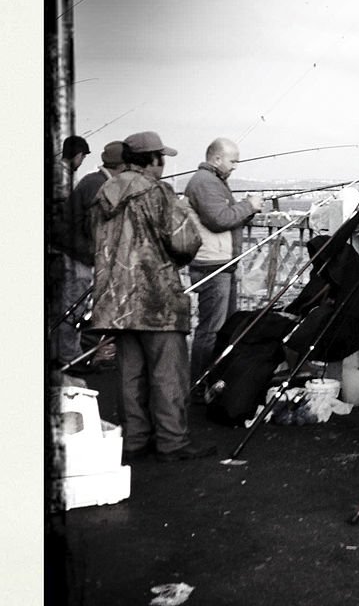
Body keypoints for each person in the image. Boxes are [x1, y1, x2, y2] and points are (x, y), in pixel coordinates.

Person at [90, 131, 215, 463]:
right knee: (167, 373)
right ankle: (172, 441)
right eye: (162, 159)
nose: (163, 166)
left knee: (130, 372)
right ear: (152, 160)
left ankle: (135, 439)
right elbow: (185, 242)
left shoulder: (104, 191)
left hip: (116, 301)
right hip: (155, 299)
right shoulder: (156, 191)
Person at [184, 138, 263, 395]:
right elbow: (219, 219)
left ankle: (211, 381)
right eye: (233, 160)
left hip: (220, 263)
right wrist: (247, 205)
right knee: (211, 330)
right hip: (212, 265)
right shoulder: (205, 182)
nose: (236, 166)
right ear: (216, 159)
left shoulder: (212, 181)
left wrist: (245, 211)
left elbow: (223, 215)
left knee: (222, 328)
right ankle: (198, 384)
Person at [54, 141, 126, 367]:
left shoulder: (93, 181)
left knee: (70, 309)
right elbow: (95, 228)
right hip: (76, 257)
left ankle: (66, 355)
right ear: (122, 166)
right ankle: (69, 359)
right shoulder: (99, 186)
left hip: (74, 253)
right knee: (72, 310)